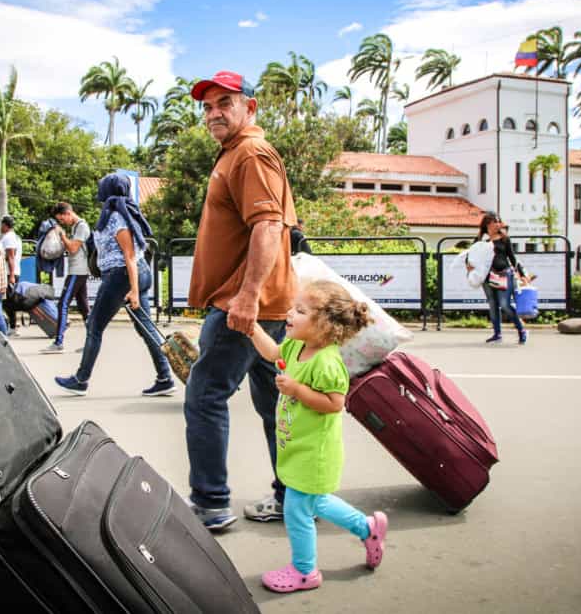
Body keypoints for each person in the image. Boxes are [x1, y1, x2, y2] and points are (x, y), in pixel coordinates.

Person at [184, 71, 299, 531]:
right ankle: (292, 498)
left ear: (250, 108)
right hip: (263, 306)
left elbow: (268, 226)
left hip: (244, 307)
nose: (214, 113)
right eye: (208, 106)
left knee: (205, 395)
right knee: (276, 406)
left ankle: (210, 504)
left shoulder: (249, 153)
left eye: (224, 103)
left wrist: (246, 298)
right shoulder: (235, 154)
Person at [249, 280, 386, 593]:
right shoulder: (297, 345)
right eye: (293, 307)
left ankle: (304, 571)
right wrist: (251, 327)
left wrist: (297, 390)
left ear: (325, 324)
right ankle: (366, 528)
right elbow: (272, 353)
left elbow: (334, 404)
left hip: (315, 452)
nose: (290, 313)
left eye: (300, 310)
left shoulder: (327, 362)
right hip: (298, 446)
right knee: (317, 502)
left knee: (297, 510)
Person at [54, 174, 174, 396]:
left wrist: (134, 291)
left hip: (122, 276)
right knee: (146, 329)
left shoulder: (116, 217)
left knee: (94, 325)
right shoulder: (125, 212)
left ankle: (81, 380)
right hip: (134, 274)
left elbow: (128, 255)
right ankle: (165, 377)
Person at [469, 212, 528, 344]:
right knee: (492, 304)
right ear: (487, 224)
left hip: (503, 274)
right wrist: (469, 266)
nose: (497, 224)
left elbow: (512, 257)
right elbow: (470, 256)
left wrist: (522, 275)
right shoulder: (480, 240)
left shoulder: (504, 239)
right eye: (495, 221)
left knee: (505, 304)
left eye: (498, 221)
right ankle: (497, 334)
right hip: (486, 276)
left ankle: (521, 330)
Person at [41, 202, 91, 354]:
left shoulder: (82, 226)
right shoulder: (76, 227)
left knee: (62, 303)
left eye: (62, 219)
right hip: (78, 270)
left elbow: (73, 248)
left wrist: (61, 234)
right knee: (83, 307)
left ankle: (58, 342)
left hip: (78, 271)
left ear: (68, 213)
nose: (62, 222)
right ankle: (92, 343)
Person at [0, 215, 22, 336]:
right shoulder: (14, 237)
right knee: (7, 301)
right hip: (11, 272)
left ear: (5, 225)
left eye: (1, 224)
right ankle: (11, 325)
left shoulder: (9, 238)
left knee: (7, 301)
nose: (0, 227)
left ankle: (12, 327)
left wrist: (12, 275)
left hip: (9, 273)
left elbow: (11, 257)